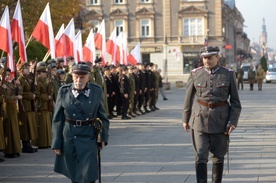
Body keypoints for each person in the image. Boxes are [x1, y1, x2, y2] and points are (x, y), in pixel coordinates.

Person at [182, 46, 241, 183]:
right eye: (204, 58)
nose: (206, 60)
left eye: (210, 57)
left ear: (217, 58)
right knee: (201, 155)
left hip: (221, 121)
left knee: (218, 156)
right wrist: (185, 119)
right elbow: (188, 98)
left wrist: (233, 121)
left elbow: (236, 102)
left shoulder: (228, 74)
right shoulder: (195, 74)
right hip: (199, 120)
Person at [51, 62, 110, 183]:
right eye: (76, 76)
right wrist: (57, 142)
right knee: (75, 174)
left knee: (89, 173)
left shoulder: (96, 91)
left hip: (89, 136)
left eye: (82, 77)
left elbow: (103, 117)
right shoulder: (64, 91)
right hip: (69, 137)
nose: (79, 80)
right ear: (72, 76)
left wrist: (103, 137)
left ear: (88, 77)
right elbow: (57, 119)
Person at [2, 67, 22, 158]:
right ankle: (9, 151)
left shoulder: (9, 84)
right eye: (5, 74)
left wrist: (18, 85)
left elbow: (18, 93)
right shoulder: (2, 85)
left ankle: (16, 149)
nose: (7, 76)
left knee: (14, 129)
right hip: (7, 108)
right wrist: (16, 98)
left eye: (8, 74)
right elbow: (6, 98)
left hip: (13, 107)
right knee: (9, 129)